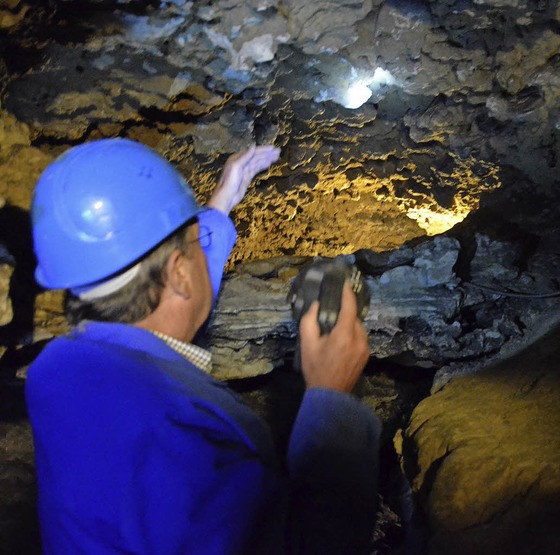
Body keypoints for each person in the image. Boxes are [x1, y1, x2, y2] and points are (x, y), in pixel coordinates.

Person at [26, 138, 381, 554]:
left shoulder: (55, 370)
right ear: (178, 273)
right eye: (195, 243)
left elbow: (166, 291)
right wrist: (330, 399)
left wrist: (219, 207)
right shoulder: (170, 437)